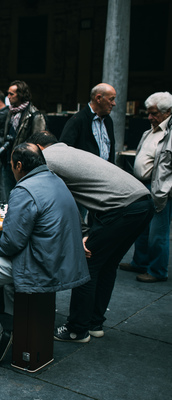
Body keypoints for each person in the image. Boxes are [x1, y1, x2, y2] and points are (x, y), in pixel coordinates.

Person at [0, 143, 89, 365]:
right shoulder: (57, 181)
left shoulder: (24, 190)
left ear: (19, 165)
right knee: (9, 282)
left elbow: (12, 242)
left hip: (38, 263)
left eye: (11, 166)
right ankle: (16, 325)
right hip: (63, 260)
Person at [27, 131, 154, 342]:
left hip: (122, 209)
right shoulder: (70, 151)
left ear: (38, 147)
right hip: (143, 203)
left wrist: (83, 234)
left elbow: (62, 201)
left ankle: (77, 329)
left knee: (86, 263)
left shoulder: (47, 160)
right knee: (107, 264)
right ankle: (94, 323)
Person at [119, 92, 172, 283]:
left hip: (160, 187)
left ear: (168, 112)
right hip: (143, 185)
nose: (149, 117)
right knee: (142, 228)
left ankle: (157, 270)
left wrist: (166, 188)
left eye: (154, 113)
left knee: (158, 232)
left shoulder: (169, 133)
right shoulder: (150, 131)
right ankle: (140, 262)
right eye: (148, 113)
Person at [2, 80, 47, 195]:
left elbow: (38, 141)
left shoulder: (34, 115)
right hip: (9, 160)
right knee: (8, 195)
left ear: (21, 95)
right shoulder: (10, 112)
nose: (8, 97)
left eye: (11, 94)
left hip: (23, 164)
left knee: (22, 195)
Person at [60, 83, 116, 163]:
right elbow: (63, 150)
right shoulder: (78, 120)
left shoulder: (108, 121)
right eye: (111, 99)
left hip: (105, 172)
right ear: (98, 98)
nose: (114, 103)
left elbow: (111, 150)